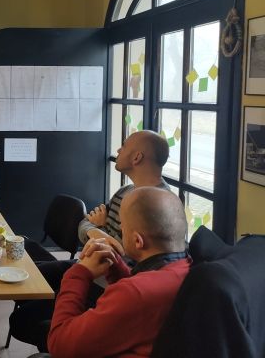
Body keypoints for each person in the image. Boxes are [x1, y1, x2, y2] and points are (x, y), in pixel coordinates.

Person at [10, 130, 171, 351]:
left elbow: (126, 256)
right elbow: (85, 225)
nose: (118, 150)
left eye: (124, 146)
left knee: (21, 320)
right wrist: (99, 233)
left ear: (137, 157)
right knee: (26, 277)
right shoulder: (126, 191)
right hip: (90, 266)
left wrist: (100, 232)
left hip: (106, 285)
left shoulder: (160, 205)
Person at [47, 186, 191, 357]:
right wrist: (117, 267)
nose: (121, 228)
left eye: (123, 226)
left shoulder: (134, 293)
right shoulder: (192, 271)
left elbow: (60, 344)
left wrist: (79, 272)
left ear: (137, 241)